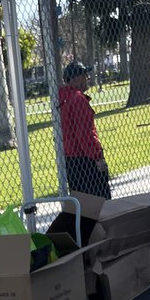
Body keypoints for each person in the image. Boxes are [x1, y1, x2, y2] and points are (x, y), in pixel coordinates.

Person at [59, 61, 111, 199]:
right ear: (76, 78)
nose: (88, 77)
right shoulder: (78, 99)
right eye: (84, 75)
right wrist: (98, 157)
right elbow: (85, 134)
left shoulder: (62, 97)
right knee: (101, 203)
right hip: (85, 159)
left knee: (82, 205)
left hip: (70, 159)